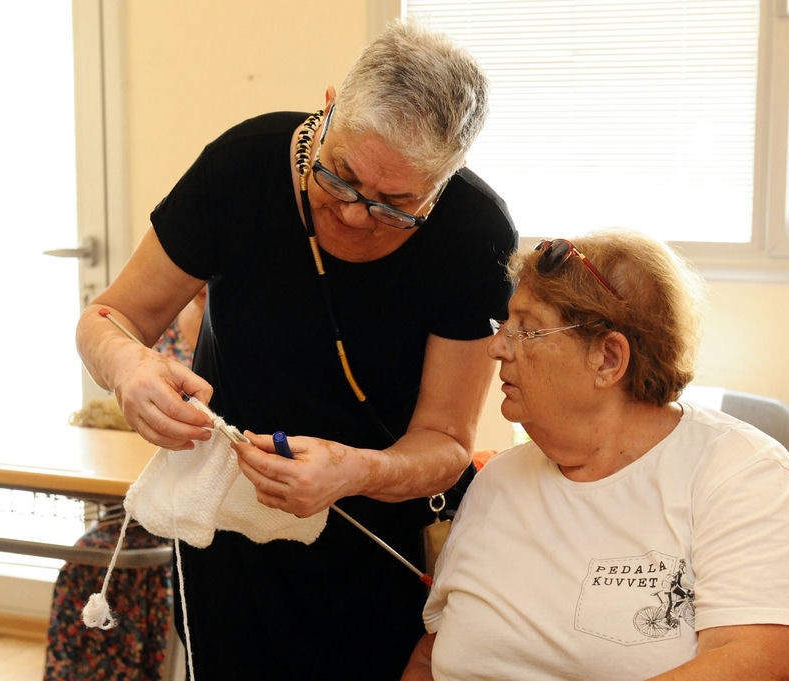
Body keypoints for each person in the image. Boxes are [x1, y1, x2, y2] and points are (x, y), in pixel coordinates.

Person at [74, 20, 517, 681]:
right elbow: (108, 317)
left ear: (445, 181)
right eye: (341, 177)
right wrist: (128, 365)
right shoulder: (243, 169)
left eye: (397, 205)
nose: (356, 215)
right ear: (331, 105)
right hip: (232, 530)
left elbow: (447, 442)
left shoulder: (472, 234)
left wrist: (353, 470)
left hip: (381, 542)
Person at [402, 230, 789, 680]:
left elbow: (769, 667)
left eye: (528, 329)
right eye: (506, 326)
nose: (497, 347)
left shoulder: (744, 474)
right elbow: (434, 654)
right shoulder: (498, 481)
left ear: (609, 359)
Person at [46, 287, 206, 680]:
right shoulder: (155, 337)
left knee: (152, 565)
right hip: (145, 500)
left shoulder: (244, 336)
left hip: (202, 510)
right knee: (91, 557)